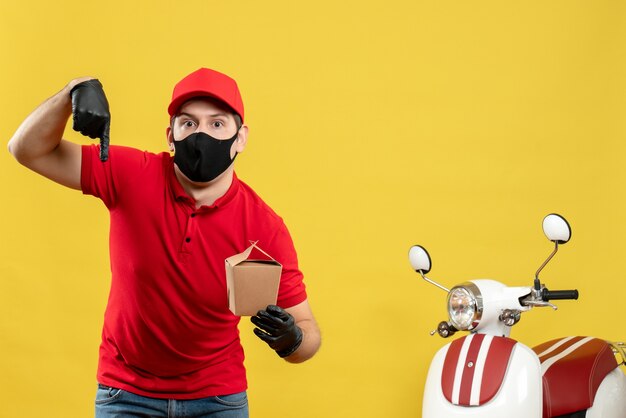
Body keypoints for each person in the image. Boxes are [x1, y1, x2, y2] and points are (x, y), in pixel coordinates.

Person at [8, 68, 321, 417]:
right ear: (170, 137)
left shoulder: (264, 226)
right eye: (188, 123)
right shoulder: (130, 173)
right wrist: (73, 92)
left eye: (217, 124)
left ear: (241, 137)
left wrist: (291, 339)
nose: (201, 134)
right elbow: (26, 149)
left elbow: (308, 335)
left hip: (218, 398)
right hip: (124, 392)